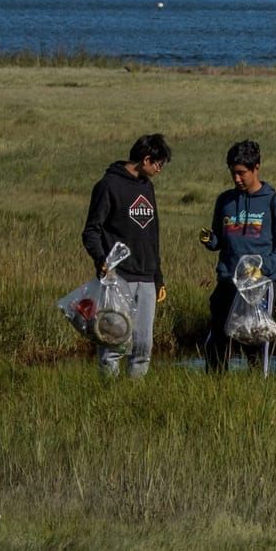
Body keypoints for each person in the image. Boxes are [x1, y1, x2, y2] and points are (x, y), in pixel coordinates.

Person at [80, 133, 170, 378]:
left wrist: (158, 277)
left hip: (147, 279)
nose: (160, 169)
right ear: (146, 159)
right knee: (114, 343)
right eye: (159, 164)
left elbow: (153, 234)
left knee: (143, 346)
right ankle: (108, 395)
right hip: (118, 278)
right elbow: (91, 231)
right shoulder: (108, 185)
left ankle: (134, 395)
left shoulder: (147, 187)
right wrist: (101, 260)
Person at [199, 140, 276, 370]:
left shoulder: (274, 203)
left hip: (260, 285)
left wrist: (262, 268)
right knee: (218, 341)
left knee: (256, 342)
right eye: (233, 173)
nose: (237, 179)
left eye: (242, 173)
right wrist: (211, 241)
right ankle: (215, 387)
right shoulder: (225, 201)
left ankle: (257, 387)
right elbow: (220, 240)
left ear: (256, 168)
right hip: (227, 280)